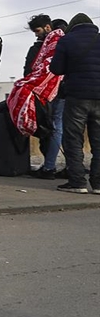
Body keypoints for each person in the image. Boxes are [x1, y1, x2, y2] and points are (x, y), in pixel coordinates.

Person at [49, 13, 100, 194]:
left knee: (73, 139)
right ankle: (98, 183)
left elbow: (56, 69)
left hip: (77, 96)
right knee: (98, 142)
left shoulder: (67, 40)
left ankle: (77, 182)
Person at [21, 14, 65, 180]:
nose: (36, 34)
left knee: (53, 128)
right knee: (57, 128)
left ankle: (49, 167)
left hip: (53, 92)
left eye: (37, 30)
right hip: (62, 91)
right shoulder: (61, 41)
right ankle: (56, 166)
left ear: (48, 27)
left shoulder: (48, 46)